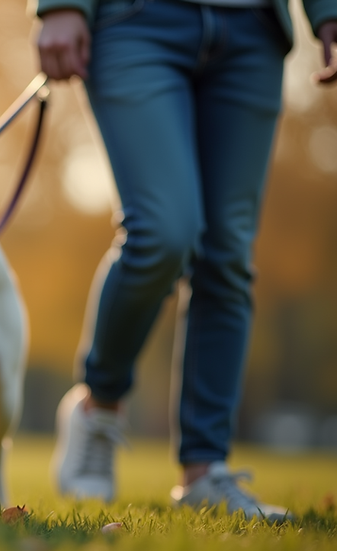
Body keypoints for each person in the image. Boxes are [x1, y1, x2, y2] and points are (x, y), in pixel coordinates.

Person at [32, 0, 337, 522]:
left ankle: (204, 470)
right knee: (162, 231)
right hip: (134, 21)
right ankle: (99, 406)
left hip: (251, 29)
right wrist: (63, 5)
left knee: (228, 254)